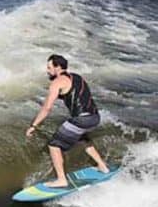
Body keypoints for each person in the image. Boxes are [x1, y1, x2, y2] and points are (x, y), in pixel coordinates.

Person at [25, 53, 109, 187]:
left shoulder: (57, 82)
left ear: (57, 67)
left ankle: (61, 180)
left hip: (81, 119)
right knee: (82, 138)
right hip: (94, 117)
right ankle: (102, 166)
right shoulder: (77, 77)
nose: (47, 71)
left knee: (54, 145)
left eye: (49, 67)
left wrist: (33, 126)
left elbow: (47, 108)